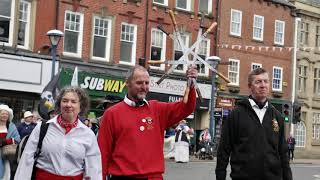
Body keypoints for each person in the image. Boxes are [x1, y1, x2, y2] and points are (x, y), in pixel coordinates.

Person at [98, 65, 198, 180]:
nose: (144, 87)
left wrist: (191, 84)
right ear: (127, 83)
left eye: (146, 83)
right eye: (139, 83)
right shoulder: (112, 113)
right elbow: (103, 153)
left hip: (153, 177)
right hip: (123, 176)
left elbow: (186, 108)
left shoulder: (157, 109)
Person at [215, 68, 292, 180]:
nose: (263, 85)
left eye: (266, 81)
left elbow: (283, 154)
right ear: (250, 86)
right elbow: (223, 151)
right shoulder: (236, 115)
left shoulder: (277, 116)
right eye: (258, 82)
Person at [15, 86, 102, 180]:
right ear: (59, 104)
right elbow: (26, 160)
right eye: (65, 101)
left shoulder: (88, 134)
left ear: (81, 107)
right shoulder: (42, 127)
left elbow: (94, 169)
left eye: (73, 101)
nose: (68, 105)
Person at [0, 104, 21, 180]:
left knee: (5, 173)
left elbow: (18, 139)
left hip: (5, 154)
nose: (4, 115)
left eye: (6, 114)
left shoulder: (11, 126)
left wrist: (6, 141)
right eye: (2, 113)